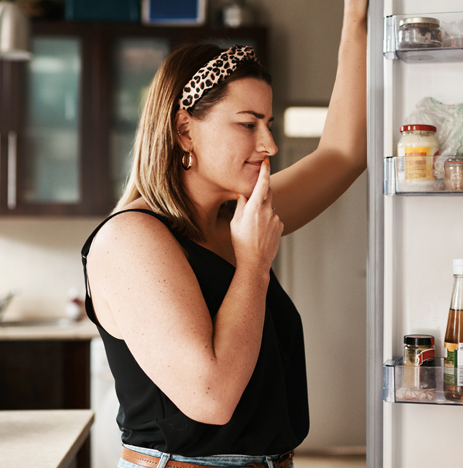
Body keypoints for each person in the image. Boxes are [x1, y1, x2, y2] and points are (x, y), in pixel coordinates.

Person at [80, 2, 367, 467]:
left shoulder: (232, 220)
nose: (269, 144)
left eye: (268, 125)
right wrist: (253, 264)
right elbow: (210, 398)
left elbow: (344, 154)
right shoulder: (131, 239)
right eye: (247, 123)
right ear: (184, 130)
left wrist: (355, 22)